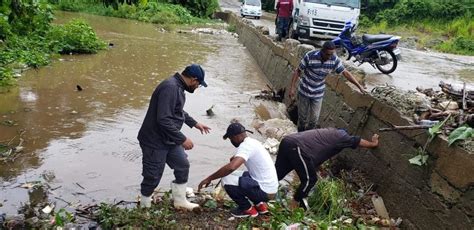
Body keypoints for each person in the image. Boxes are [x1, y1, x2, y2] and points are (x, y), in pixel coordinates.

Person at [138, 64, 211, 210]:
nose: (197, 88)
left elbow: (177, 111)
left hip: (169, 139)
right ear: (193, 79)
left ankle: (180, 201)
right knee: (152, 176)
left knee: (182, 165)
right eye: (198, 84)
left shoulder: (178, 87)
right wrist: (182, 139)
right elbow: (163, 119)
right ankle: (144, 207)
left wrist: (195, 123)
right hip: (155, 140)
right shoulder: (170, 87)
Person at [275, 128, 379, 209]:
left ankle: (262, 195)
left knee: (276, 175)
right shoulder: (342, 137)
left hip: (287, 141)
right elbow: (357, 140)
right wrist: (373, 143)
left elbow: (317, 153)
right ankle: (294, 204)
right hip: (297, 147)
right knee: (310, 180)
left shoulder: (329, 133)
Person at [198, 122, 279, 218]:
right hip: (271, 189)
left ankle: (247, 210)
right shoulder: (253, 142)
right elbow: (237, 159)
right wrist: (235, 158)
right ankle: (260, 206)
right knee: (242, 175)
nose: (231, 141)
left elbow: (231, 167)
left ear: (236, 137)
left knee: (226, 179)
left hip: (265, 192)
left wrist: (209, 178)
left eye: (231, 139)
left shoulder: (246, 146)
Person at [289, 41, 366, 132]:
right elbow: (298, 71)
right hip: (304, 91)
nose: (329, 57)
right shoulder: (310, 56)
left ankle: (307, 137)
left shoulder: (334, 60)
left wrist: (359, 86)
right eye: (327, 54)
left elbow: (345, 73)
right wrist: (292, 88)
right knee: (302, 119)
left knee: (314, 120)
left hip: (318, 94)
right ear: (322, 51)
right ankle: (300, 136)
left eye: (331, 54)